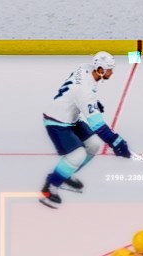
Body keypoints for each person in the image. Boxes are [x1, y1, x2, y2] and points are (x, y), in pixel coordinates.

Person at [35, 51, 133, 207]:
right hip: (56, 121)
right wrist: (117, 142)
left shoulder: (85, 68)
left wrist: (93, 103)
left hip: (71, 117)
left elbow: (77, 91)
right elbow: (98, 126)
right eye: (109, 70)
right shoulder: (85, 92)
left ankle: (66, 174)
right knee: (77, 155)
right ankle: (50, 187)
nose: (111, 73)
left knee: (93, 145)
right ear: (100, 70)